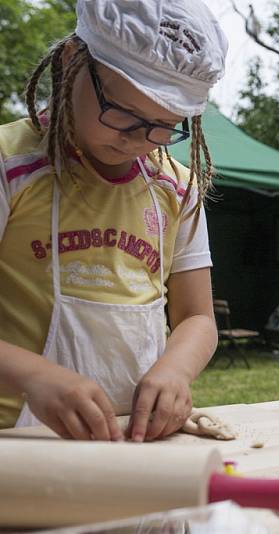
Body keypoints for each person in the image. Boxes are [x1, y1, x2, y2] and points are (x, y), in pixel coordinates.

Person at [0, 0, 228, 441]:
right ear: (71, 63)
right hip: (17, 441)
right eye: (122, 112)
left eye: (163, 125)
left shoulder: (175, 188)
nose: (137, 140)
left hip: (131, 438)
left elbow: (197, 318)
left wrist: (177, 370)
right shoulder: (11, 165)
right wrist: (33, 375)